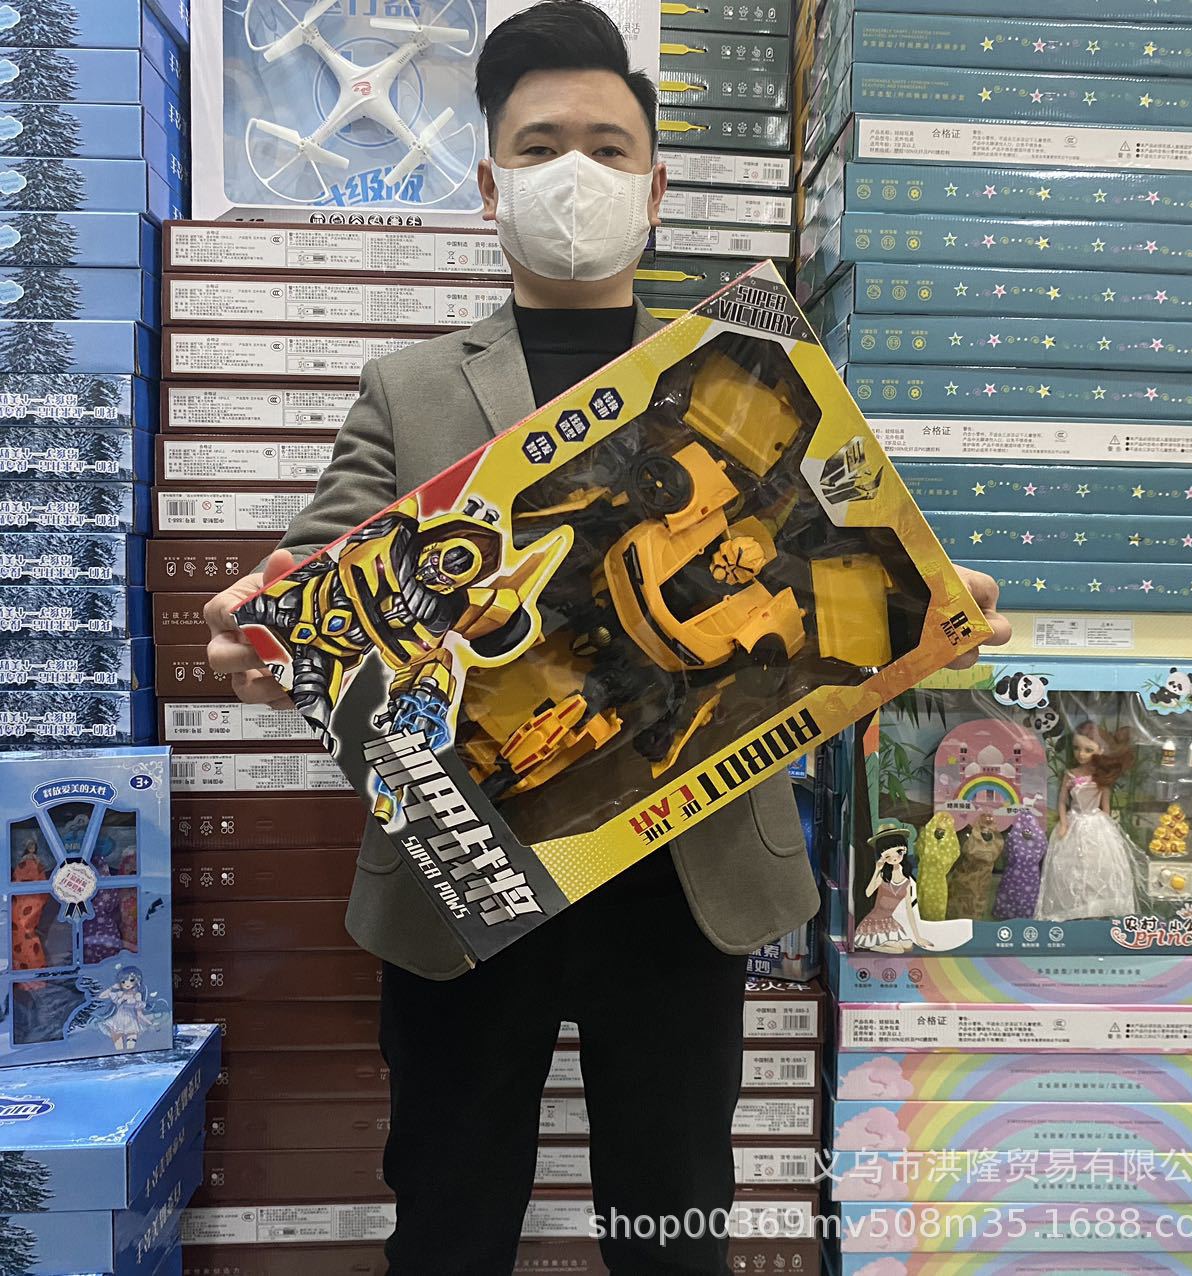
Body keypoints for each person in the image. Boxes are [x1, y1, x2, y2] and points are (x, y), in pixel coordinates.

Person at [202, 5, 1012, 1272]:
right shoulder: (407, 387)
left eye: (604, 146)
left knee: (674, 1212)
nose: (571, 173)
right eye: (537, 148)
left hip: (687, 868)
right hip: (465, 871)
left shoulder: (749, 368)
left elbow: (835, 555)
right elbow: (313, 588)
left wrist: (926, 608)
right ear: (489, 185)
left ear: (654, 186)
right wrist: (261, 645)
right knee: (450, 1210)